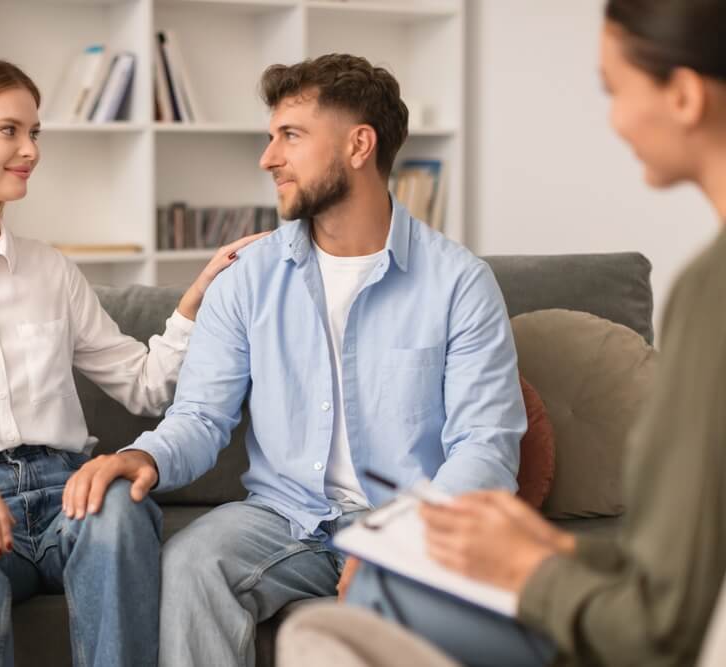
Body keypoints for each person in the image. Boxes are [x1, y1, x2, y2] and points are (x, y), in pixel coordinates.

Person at [280, 1, 726, 665]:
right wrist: (559, 550)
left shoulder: (710, 292)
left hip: (648, 636)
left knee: (334, 625)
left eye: (615, 91)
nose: (613, 119)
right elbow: (679, 561)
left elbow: (658, 626)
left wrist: (532, 573)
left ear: (684, 96)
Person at [62, 53, 527, 666]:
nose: (268, 158)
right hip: (282, 518)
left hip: (410, 519)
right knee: (193, 565)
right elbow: (201, 416)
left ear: (360, 145)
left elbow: (485, 447)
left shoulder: (459, 283)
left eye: (291, 136)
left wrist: (401, 543)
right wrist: (141, 455)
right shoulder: (246, 280)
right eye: (270, 136)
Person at [0, 54, 264, 667]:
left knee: (119, 510)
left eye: (34, 133)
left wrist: (193, 302)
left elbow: (144, 386)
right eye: (9, 130)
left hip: (70, 497)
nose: (29, 148)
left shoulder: (49, 268)